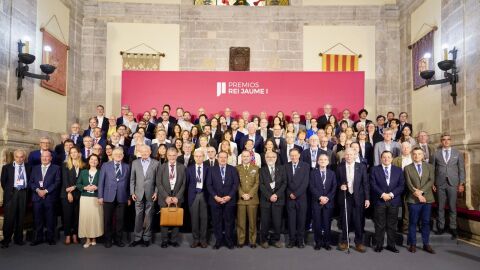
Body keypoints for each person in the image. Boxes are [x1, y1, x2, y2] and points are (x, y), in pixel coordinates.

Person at [336, 148, 370, 253]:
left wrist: (367, 198)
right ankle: (345, 241)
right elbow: (336, 181)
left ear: (355, 155)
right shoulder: (340, 167)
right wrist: (340, 186)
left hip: (358, 197)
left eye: (351, 154)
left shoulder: (361, 167)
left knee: (358, 221)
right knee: (345, 220)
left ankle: (358, 242)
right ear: (344, 156)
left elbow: (365, 184)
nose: (349, 156)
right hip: (345, 196)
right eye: (347, 154)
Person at [370, 151, 404, 253]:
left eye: (388, 157)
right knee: (379, 224)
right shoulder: (374, 170)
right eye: (384, 157)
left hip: (394, 200)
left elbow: (401, 185)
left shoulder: (398, 170)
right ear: (381, 159)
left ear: (392, 158)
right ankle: (379, 245)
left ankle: (391, 245)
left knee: (392, 224)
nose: (386, 159)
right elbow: (372, 184)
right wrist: (382, 194)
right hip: (380, 200)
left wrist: (391, 194)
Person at [433, 133, 465, 239]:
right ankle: (441, 227)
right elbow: (432, 169)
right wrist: (433, 183)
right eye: (444, 139)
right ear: (441, 141)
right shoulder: (436, 153)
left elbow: (461, 169)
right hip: (440, 183)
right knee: (440, 207)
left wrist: (461, 183)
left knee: (452, 207)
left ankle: (453, 228)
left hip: (453, 183)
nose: (446, 141)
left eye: (448, 139)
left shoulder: (457, 153)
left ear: (451, 141)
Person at [404, 147, 435, 254]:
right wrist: (417, 193)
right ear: (412, 155)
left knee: (426, 222)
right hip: (413, 199)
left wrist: (421, 192)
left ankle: (426, 244)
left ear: (423, 155)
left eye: (419, 154)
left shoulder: (430, 167)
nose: (417, 156)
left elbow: (431, 180)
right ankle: (413, 244)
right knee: (413, 222)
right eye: (415, 154)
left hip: (427, 198)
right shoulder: (407, 168)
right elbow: (408, 183)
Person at [98, 147, 131, 248]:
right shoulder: (105, 165)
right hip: (108, 197)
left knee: (120, 220)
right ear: (112, 155)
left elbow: (129, 183)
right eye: (116, 154)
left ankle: (118, 239)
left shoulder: (127, 167)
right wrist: (100, 196)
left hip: (122, 197)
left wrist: (129, 197)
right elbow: (101, 182)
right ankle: (108, 240)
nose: (118, 155)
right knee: (107, 220)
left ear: (123, 155)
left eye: (120, 154)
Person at [206, 151, 239, 249]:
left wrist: (229, 196)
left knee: (229, 221)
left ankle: (229, 241)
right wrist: (215, 196)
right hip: (215, 200)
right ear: (217, 158)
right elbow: (209, 185)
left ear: (227, 158)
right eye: (221, 157)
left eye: (225, 157)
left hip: (229, 200)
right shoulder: (211, 170)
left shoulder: (233, 169)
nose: (223, 159)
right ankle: (218, 241)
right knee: (217, 221)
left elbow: (235, 184)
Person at [0, 149, 31, 248]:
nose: (19, 159)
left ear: (24, 157)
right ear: (14, 157)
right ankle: (6, 240)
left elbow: (30, 180)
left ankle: (18, 239)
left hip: (23, 193)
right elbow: (3, 182)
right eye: (17, 157)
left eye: (21, 157)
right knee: (9, 218)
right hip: (11, 194)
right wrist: (11, 191)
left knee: (21, 217)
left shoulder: (28, 167)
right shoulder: (7, 167)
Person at [156, 147, 186, 248]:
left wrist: (177, 197)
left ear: (177, 155)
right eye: (170, 155)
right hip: (164, 197)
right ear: (167, 156)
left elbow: (183, 184)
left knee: (176, 219)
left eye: (174, 155)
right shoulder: (161, 167)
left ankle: (174, 240)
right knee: (164, 219)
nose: (172, 157)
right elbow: (158, 183)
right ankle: (164, 240)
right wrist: (166, 197)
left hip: (177, 197)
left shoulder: (182, 167)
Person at [29, 151, 61, 246]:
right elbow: (31, 182)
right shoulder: (35, 168)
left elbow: (57, 182)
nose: (45, 158)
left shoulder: (56, 168)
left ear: (51, 158)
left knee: (50, 219)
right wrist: (38, 190)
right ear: (40, 157)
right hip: (37, 197)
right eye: (43, 156)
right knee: (37, 219)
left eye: (47, 156)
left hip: (50, 198)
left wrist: (46, 191)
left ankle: (50, 238)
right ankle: (38, 238)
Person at [130, 145, 159, 247]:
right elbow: (132, 179)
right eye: (142, 151)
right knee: (138, 216)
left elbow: (158, 181)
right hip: (138, 194)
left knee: (148, 216)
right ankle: (137, 237)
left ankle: (147, 237)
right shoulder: (135, 163)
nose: (144, 153)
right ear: (139, 152)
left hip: (151, 194)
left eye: (146, 151)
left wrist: (156, 192)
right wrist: (132, 193)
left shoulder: (156, 163)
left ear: (150, 152)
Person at [258, 151, 286, 248]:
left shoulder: (282, 169)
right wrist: (269, 196)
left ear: (276, 158)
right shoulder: (261, 170)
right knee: (265, 222)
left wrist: (276, 195)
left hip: (278, 200)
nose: (271, 158)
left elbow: (284, 183)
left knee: (277, 222)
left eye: (273, 157)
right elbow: (261, 185)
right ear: (265, 159)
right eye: (268, 157)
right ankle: (264, 240)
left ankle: (276, 240)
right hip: (265, 200)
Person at [309, 154, 336, 250]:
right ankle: (318, 242)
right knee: (317, 223)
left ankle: (327, 242)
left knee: (327, 223)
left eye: (325, 159)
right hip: (317, 202)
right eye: (321, 159)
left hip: (328, 203)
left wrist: (327, 198)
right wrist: (320, 197)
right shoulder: (313, 173)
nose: (323, 161)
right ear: (318, 161)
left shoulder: (332, 173)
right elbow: (311, 187)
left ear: (328, 162)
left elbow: (334, 187)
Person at [77, 154, 103, 248]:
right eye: (92, 159)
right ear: (89, 161)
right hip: (85, 198)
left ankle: (94, 238)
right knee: (86, 218)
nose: (93, 161)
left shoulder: (101, 172)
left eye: (96, 160)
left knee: (95, 219)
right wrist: (84, 187)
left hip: (96, 198)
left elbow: (104, 184)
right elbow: (78, 184)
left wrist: (98, 187)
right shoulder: (83, 172)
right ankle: (87, 239)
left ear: (98, 162)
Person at [285, 148, 310, 248]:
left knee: (301, 220)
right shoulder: (285, 166)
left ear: (299, 155)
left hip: (301, 198)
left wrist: (296, 193)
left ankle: (300, 241)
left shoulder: (305, 166)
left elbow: (305, 182)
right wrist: (290, 193)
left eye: (295, 155)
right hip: (290, 197)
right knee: (291, 220)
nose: (294, 157)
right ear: (289, 156)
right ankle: (291, 240)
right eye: (292, 155)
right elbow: (284, 182)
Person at [236, 150, 260, 248]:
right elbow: (235, 183)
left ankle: (252, 241)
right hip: (240, 199)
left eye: (247, 156)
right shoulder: (236, 168)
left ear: (250, 158)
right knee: (241, 222)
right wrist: (242, 194)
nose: (245, 158)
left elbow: (257, 183)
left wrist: (250, 194)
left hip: (252, 199)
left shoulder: (256, 168)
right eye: (243, 156)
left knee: (252, 222)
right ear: (241, 158)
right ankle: (241, 241)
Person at [186, 149, 209, 248]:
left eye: (200, 156)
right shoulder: (189, 169)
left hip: (204, 195)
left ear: (203, 157)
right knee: (194, 219)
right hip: (193, 196)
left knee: (204, 219)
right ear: (194, 157)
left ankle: (203, 240)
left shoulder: (208, 168)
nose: (198, 158)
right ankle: (196, 239)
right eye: (196, 156)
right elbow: (186, 184)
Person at [61, 146, 84, 245]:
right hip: (67, 194)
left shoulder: (83, 165)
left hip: (79, 193)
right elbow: (65, 180)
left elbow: (83, 181)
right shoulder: (65, 165)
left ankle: (75, 235)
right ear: (69, 154)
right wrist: (69, 193)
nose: (74, 154)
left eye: (75, 152)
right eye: (71, 152)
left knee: (76, 216)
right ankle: (67, 235)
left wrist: (75, 188)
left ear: (79, 153)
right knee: (67, 216)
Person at [393, 142, 413, 233]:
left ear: (410, 149)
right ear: (401, 149)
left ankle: (405, 227)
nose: (405, 149)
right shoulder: (395, 160)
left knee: (407, 207)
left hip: (411, 186)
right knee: (395, 206)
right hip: (398, 186)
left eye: (407, 147)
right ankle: (393, 225)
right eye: (403, 147)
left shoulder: (414, 158)